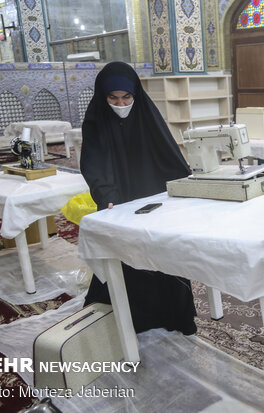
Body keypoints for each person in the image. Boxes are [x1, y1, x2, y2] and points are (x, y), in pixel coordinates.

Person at [80, 61, 197, 335]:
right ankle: (131, 318)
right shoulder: (96, 118)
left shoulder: (146, 114)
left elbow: (169, 155)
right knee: (124, 259)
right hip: (116, 199)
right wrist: (106, 194)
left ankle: (174, 315)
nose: (120, 103)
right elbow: (93, 162)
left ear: (135, 95)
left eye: (126, 97)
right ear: (103, 97)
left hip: (153, 197)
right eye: (113, 98)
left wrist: (183, 183)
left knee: (162, 254)